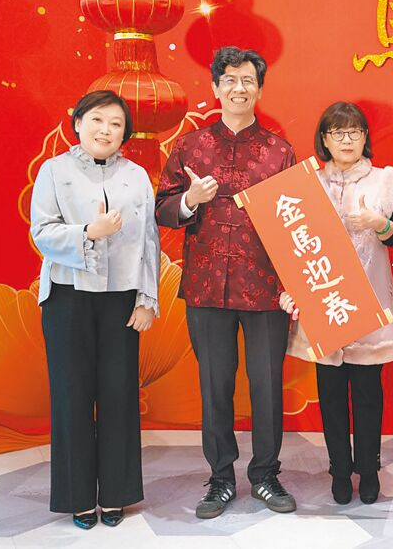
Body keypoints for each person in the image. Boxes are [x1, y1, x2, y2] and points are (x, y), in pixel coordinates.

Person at [155, 46, 297, 519]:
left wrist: (294, 284)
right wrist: (190, 200)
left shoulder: (279, 151)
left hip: (266, 287)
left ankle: (266, 475)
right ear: (216, 88)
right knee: (214, 385)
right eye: (230, 80)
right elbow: (162, 209)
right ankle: (220, 478)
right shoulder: (189, 147)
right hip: (205, 286)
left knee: (266, 385)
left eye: (248, 80)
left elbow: (296, 222)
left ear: (259, 89)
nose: (239, 88)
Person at [30, 90, 159, 529]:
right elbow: (42, 233)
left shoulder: (136, 176)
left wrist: (147, 299)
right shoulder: (54, 171)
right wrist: (89, 231)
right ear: (78, 123)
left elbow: (149, 241)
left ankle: (118, 493)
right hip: (68, 296)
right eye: (98, 120)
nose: (106, 130)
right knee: (72, 397)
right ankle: (79, 499)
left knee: (120, 396)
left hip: (122, 299)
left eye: (116, 124)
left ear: (125, 133)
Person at [279, 102, 393, 505]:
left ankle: (368, 470)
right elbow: (291, 242)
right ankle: (339, 470)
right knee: (331, 392)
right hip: (324, 301)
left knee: (368, 392)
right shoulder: (307, 184)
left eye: (354, 132)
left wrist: (379, 224)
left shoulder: (386, 180)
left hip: (370, 301)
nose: (346, 140)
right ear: (324, 139)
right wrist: (291, 287)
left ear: (365, 137)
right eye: (337, 133)